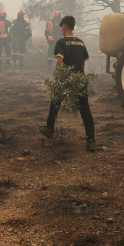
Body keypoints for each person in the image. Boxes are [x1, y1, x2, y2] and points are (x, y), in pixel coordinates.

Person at [40, 16, 96, 151]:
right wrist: (79, 76)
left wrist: (57, 80)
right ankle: (91, 139)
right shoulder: (81, 43)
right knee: (85, 109)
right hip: (79, 79)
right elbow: (83, 62)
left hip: (66, 78)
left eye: (61, 27)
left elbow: (60, 62)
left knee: (55, 103)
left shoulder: (61, 42)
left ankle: (49, 129)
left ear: (64, 26)